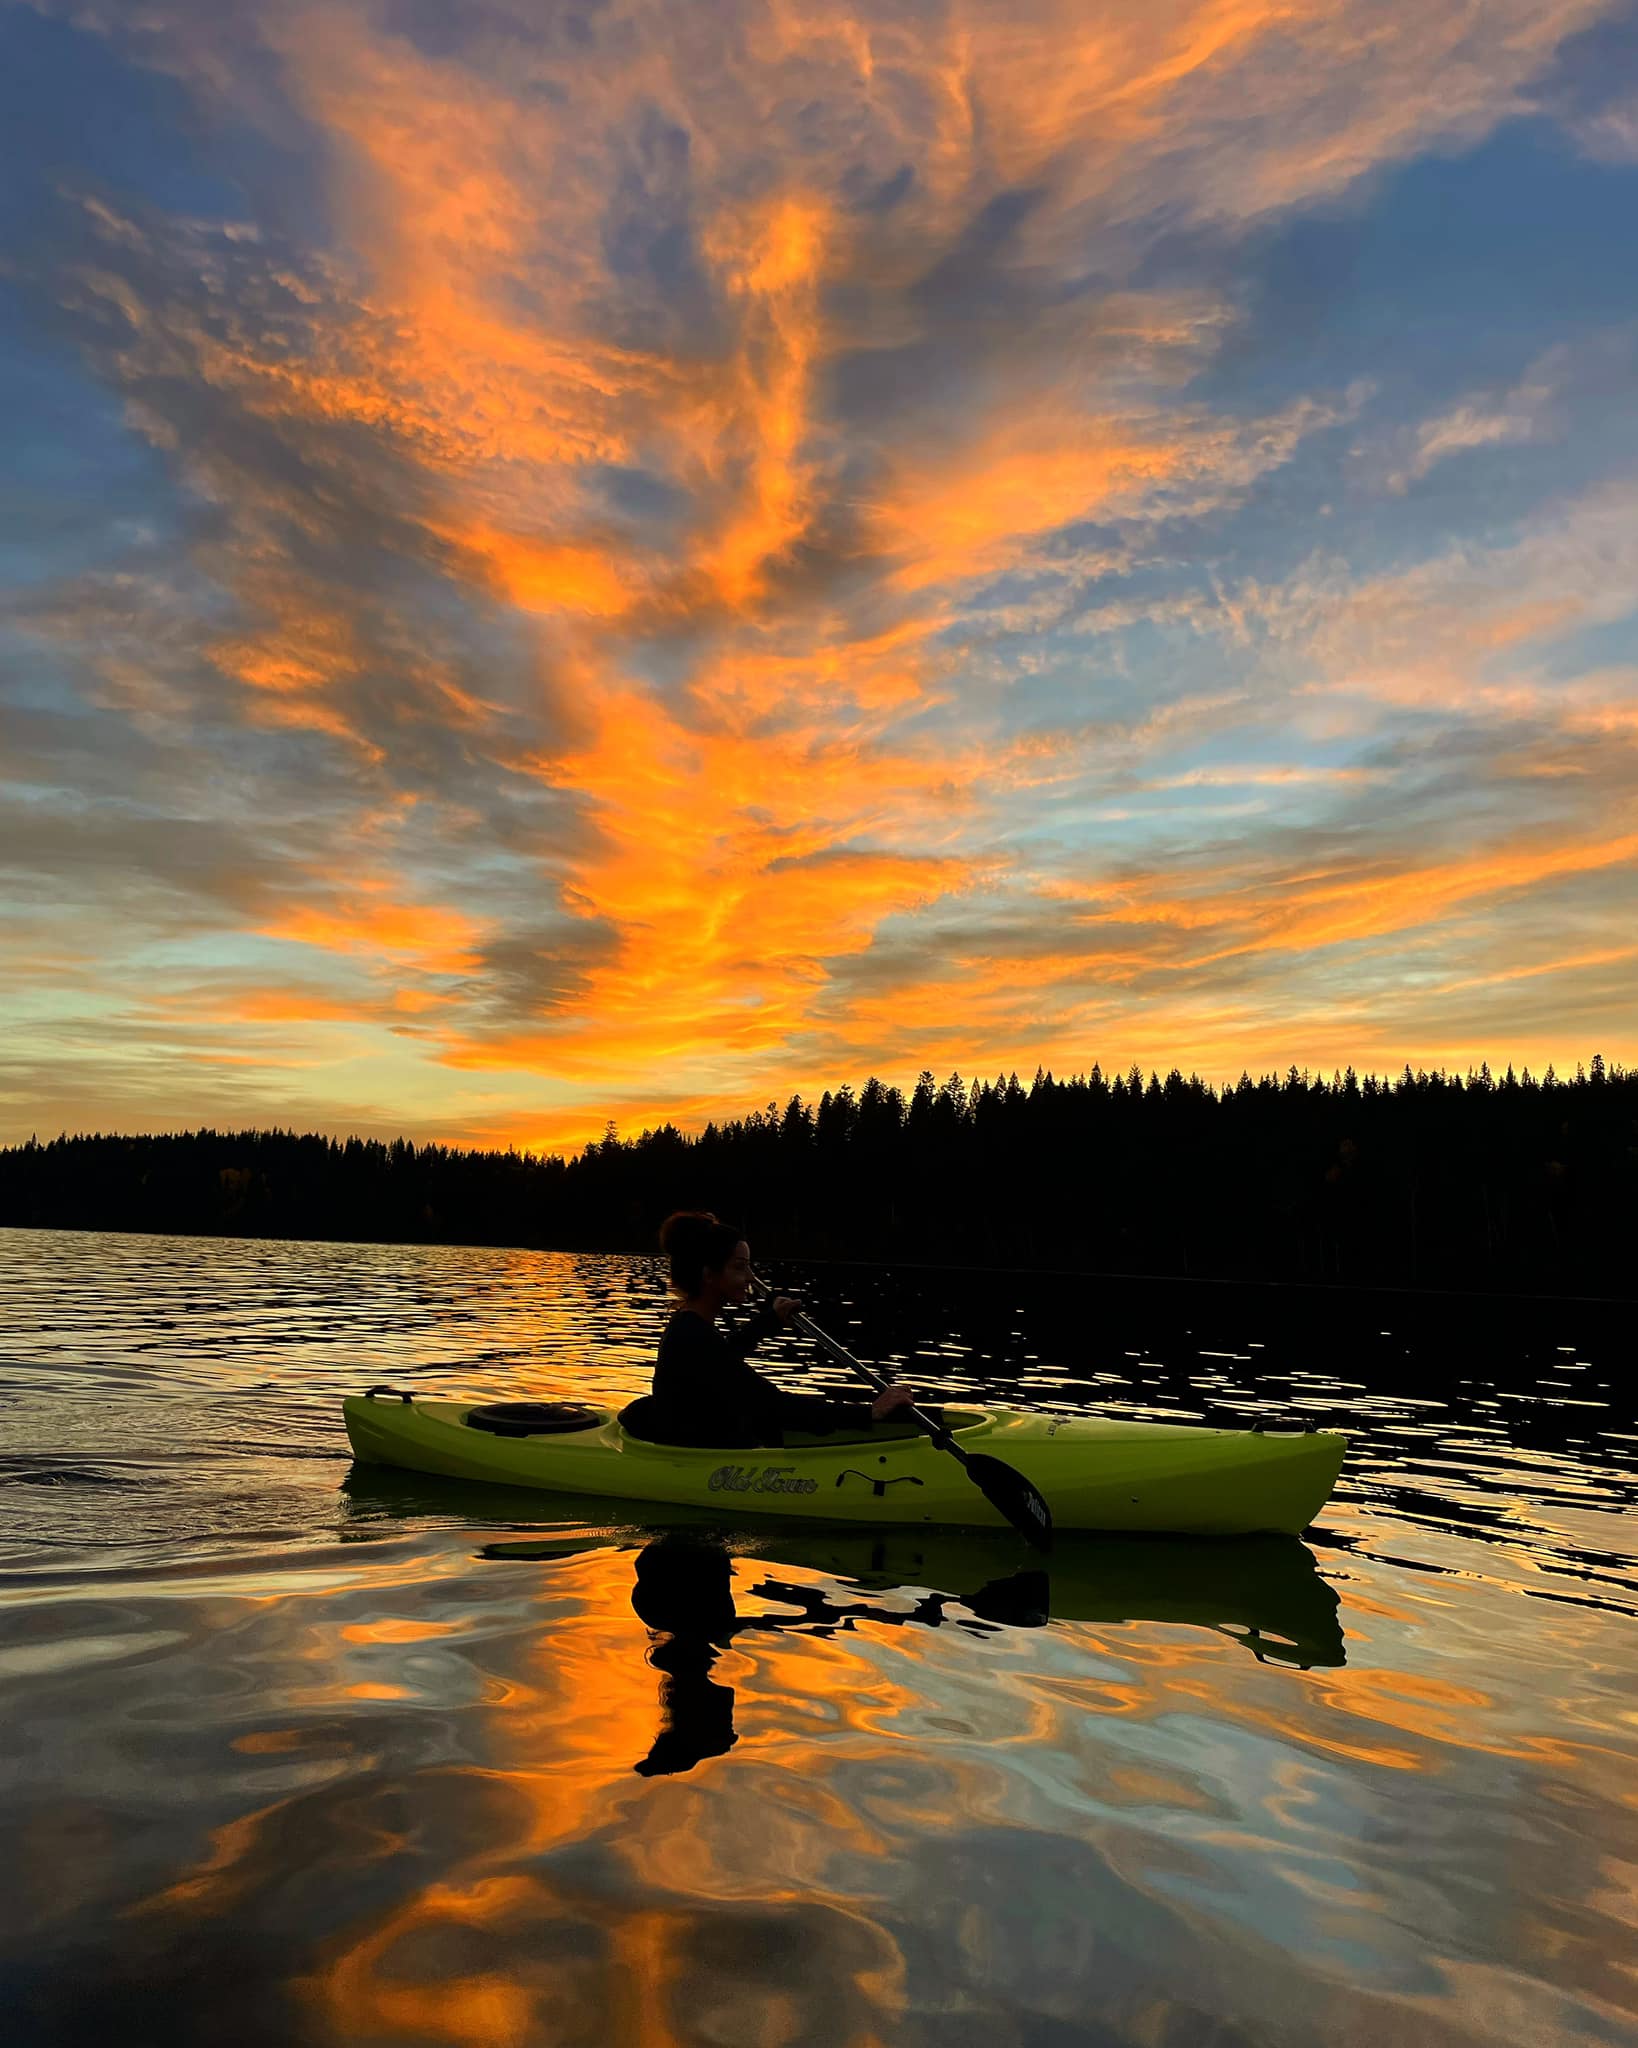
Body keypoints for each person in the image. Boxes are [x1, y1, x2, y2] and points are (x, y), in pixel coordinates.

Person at [619, 1210, 917, 1449]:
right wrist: (868, 1412)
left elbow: (723, 1359)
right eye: (740, 1267)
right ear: (709, 1275)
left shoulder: (692, 1325)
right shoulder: (692, 1336)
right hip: (693, 1451)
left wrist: (770, 1321)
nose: (751, 1277)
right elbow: (770, 1403)